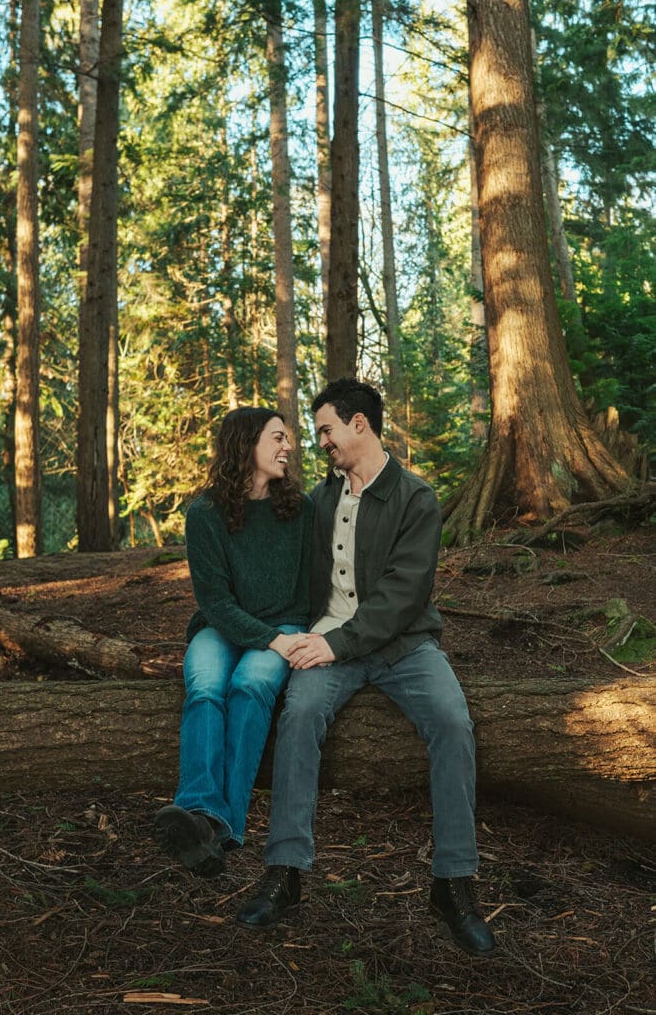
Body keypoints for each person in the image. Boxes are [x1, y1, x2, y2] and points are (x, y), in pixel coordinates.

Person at [237, 378, 495, 957]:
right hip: (328, 640)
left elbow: (404, 595)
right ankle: (284, 873)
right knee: (299, 714)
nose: (320, 442)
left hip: (404, 647)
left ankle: (454, 884)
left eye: (327, 429)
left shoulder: (415, 497)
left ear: (359, 424)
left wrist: (337, 644)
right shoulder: (320, 500)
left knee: (453, 722)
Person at [155, 407, 313, 877]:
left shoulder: (300, 510)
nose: (288, 447)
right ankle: (200, 809)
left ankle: (219, 827)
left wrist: (284, 638)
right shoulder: (204, 513)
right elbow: (216, 602)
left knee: (250, 685)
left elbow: (309, 590)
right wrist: (268, 638)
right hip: (220, 626)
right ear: (246, 444)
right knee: (205, 686)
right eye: (278, 438)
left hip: (285, 624)